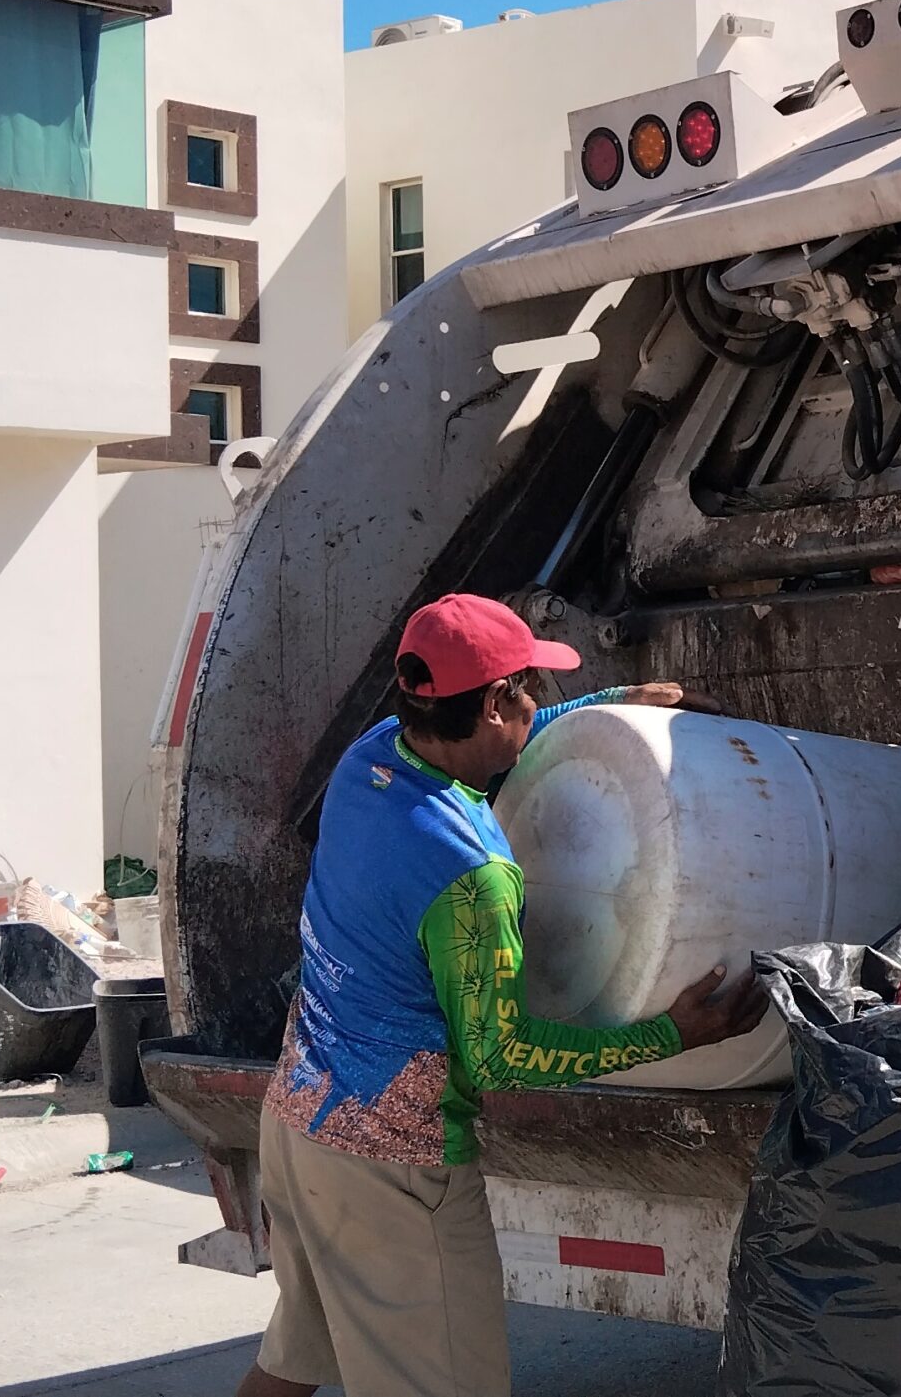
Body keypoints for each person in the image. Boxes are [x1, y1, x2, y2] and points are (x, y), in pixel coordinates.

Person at [235, 593, 768, 1397]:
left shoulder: (369, 760)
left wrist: (609, 704)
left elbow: (493, 742)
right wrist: (670, 1035)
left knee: (297, 1357)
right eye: (528, 690)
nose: (538, 704)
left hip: (299, 1124)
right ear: (490, 704)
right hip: (393, 1170)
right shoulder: (470, 876)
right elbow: (500, 1054)